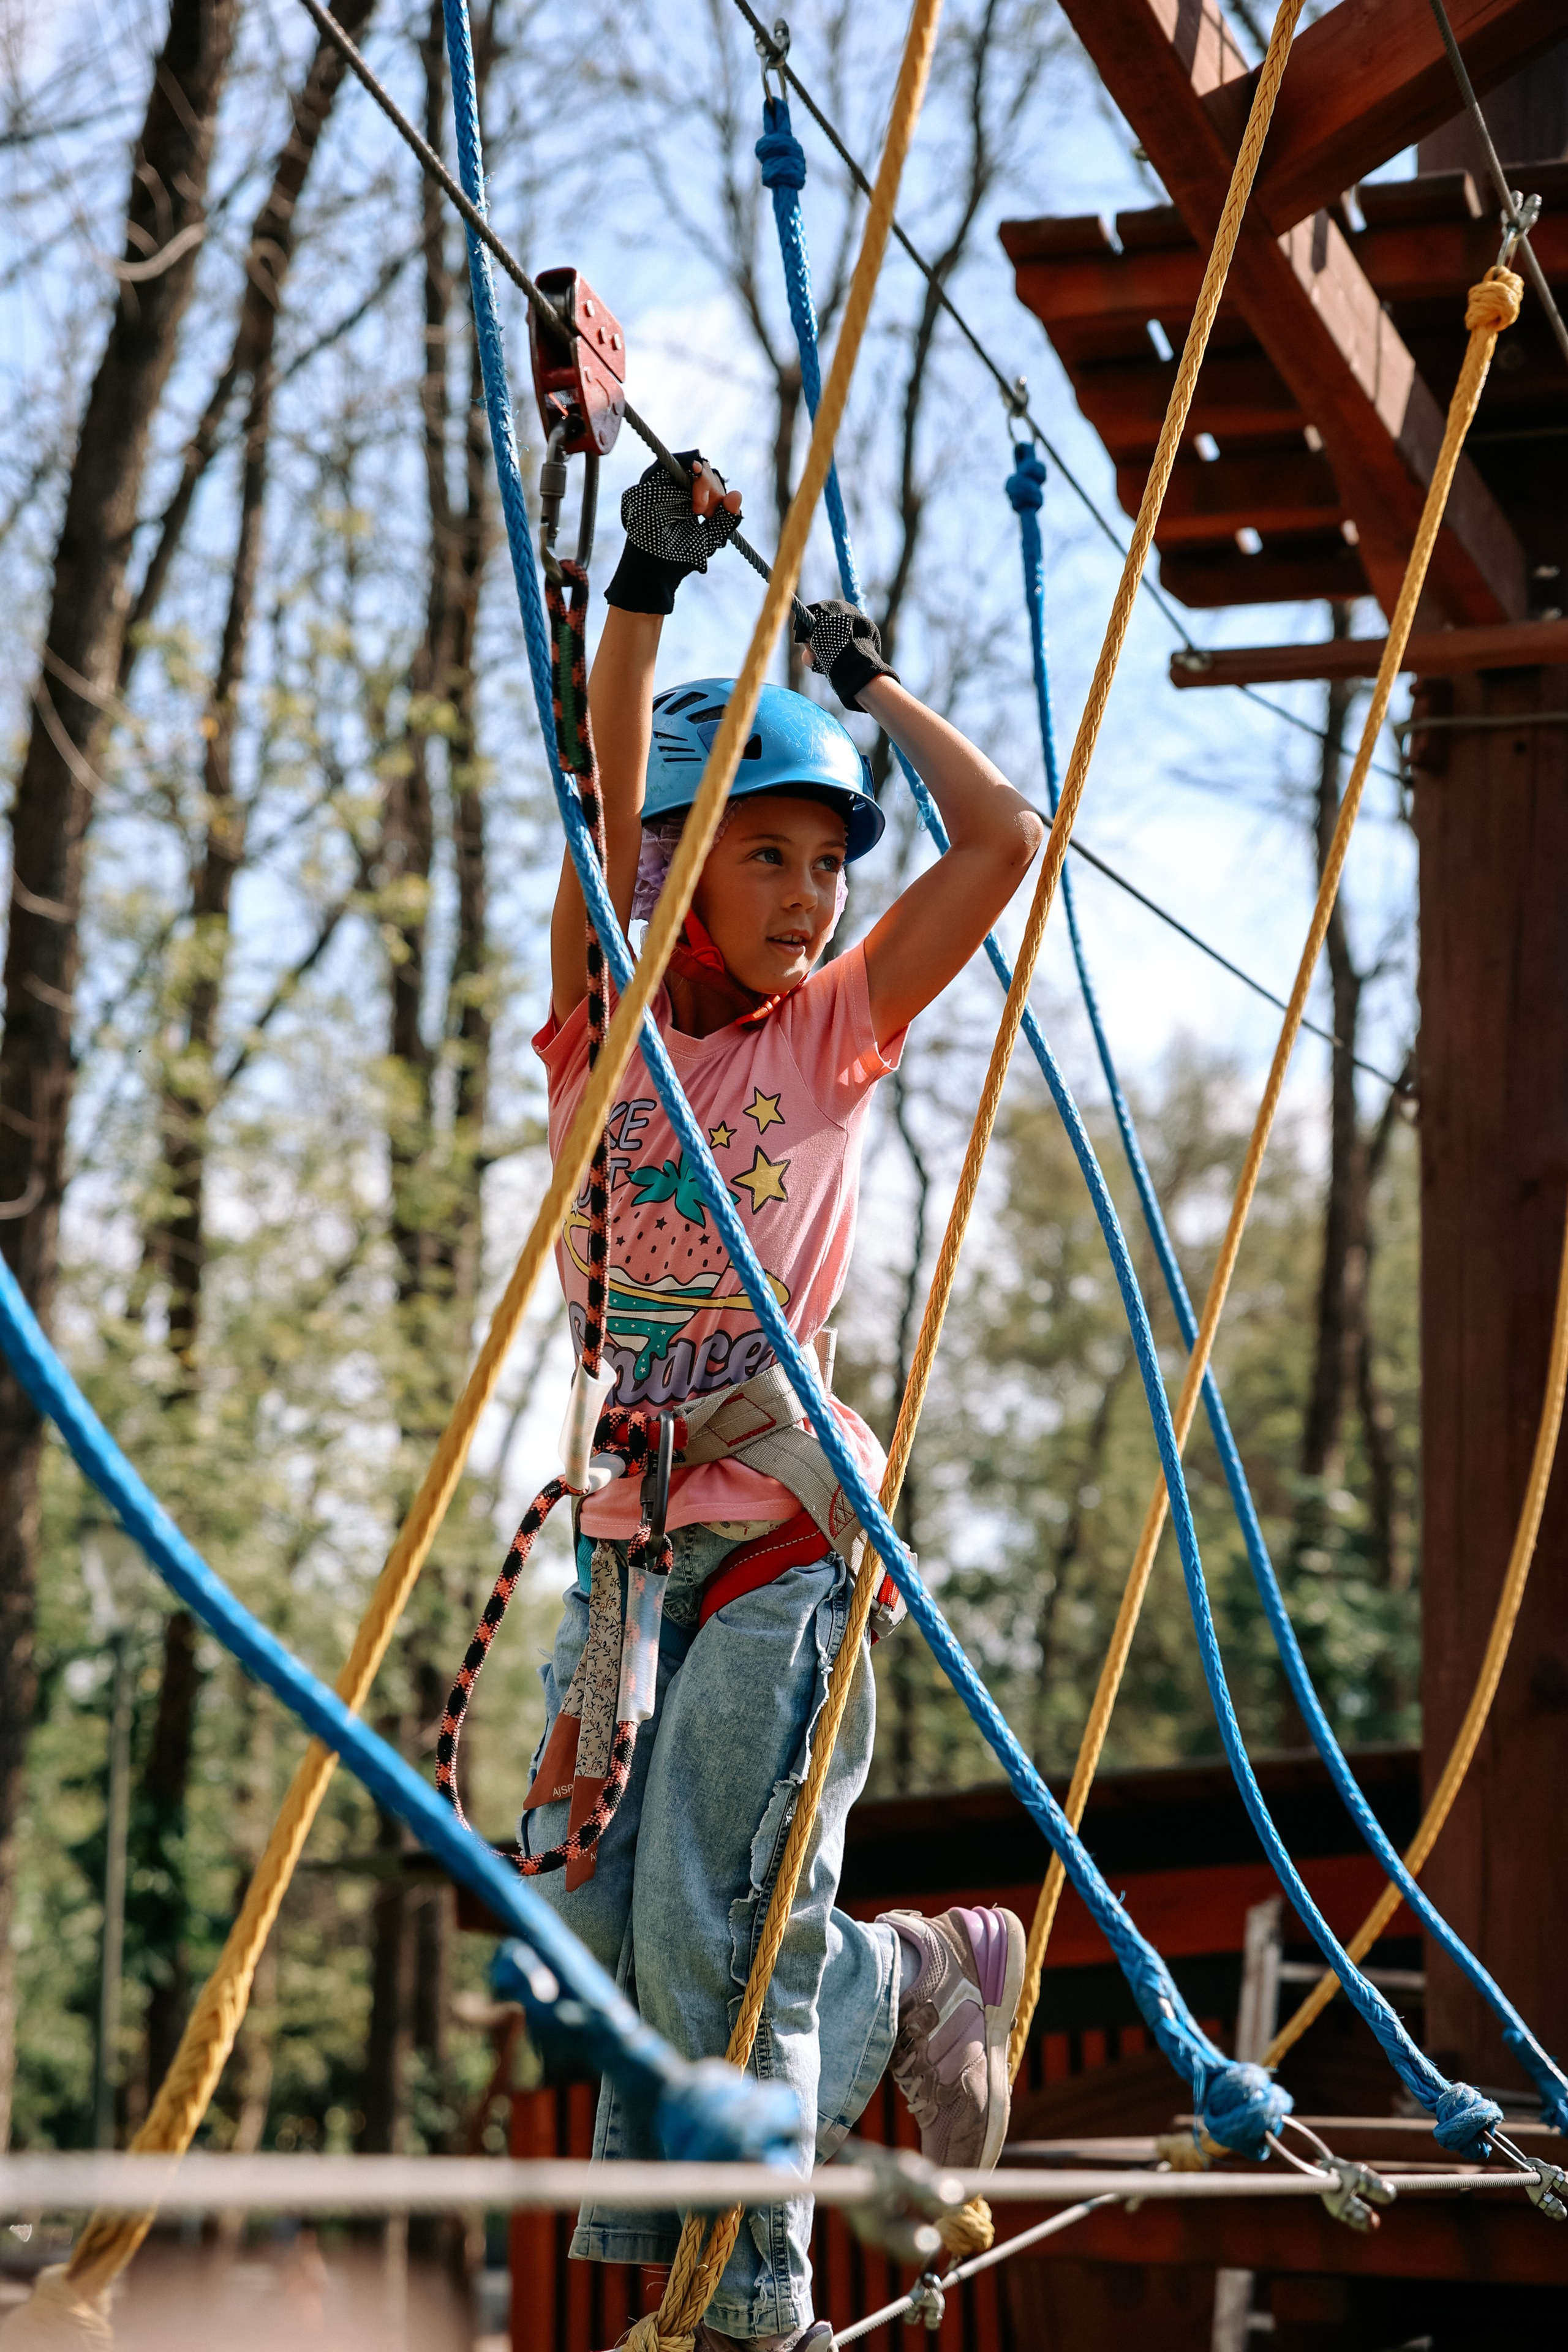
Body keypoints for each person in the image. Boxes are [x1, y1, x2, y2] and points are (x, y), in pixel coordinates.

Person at [524, 450, 1045, 2352]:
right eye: (766, 851)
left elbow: (1002, 847)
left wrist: (874, 681)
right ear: (669, 869)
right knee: (604, 1952)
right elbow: (594, 794)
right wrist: (646, 595)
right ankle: (911, 1988)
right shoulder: (613, 999)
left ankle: (740, 2309)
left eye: (829, 859)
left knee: (706, 1945)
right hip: (634, 1552)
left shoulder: (837, 1030)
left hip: (787, 1536)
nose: (811, 893)